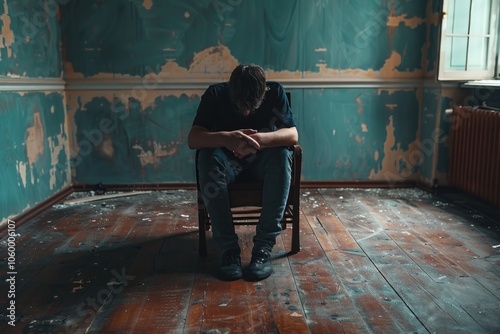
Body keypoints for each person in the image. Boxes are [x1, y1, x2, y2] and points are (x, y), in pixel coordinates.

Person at [188, 64, 298, 281]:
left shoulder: (274, 92)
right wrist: (228, 139)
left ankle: (263, 250)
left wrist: (259, 141)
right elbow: (194, 139)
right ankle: (229, 251)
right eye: (240, 106)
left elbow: (293, 134)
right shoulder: (215, 94)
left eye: (252, 106)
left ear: (263, 92)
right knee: (206, 158)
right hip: (225, 167)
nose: (246, 112)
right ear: (231, 91)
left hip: (261, 166)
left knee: (281, 154)